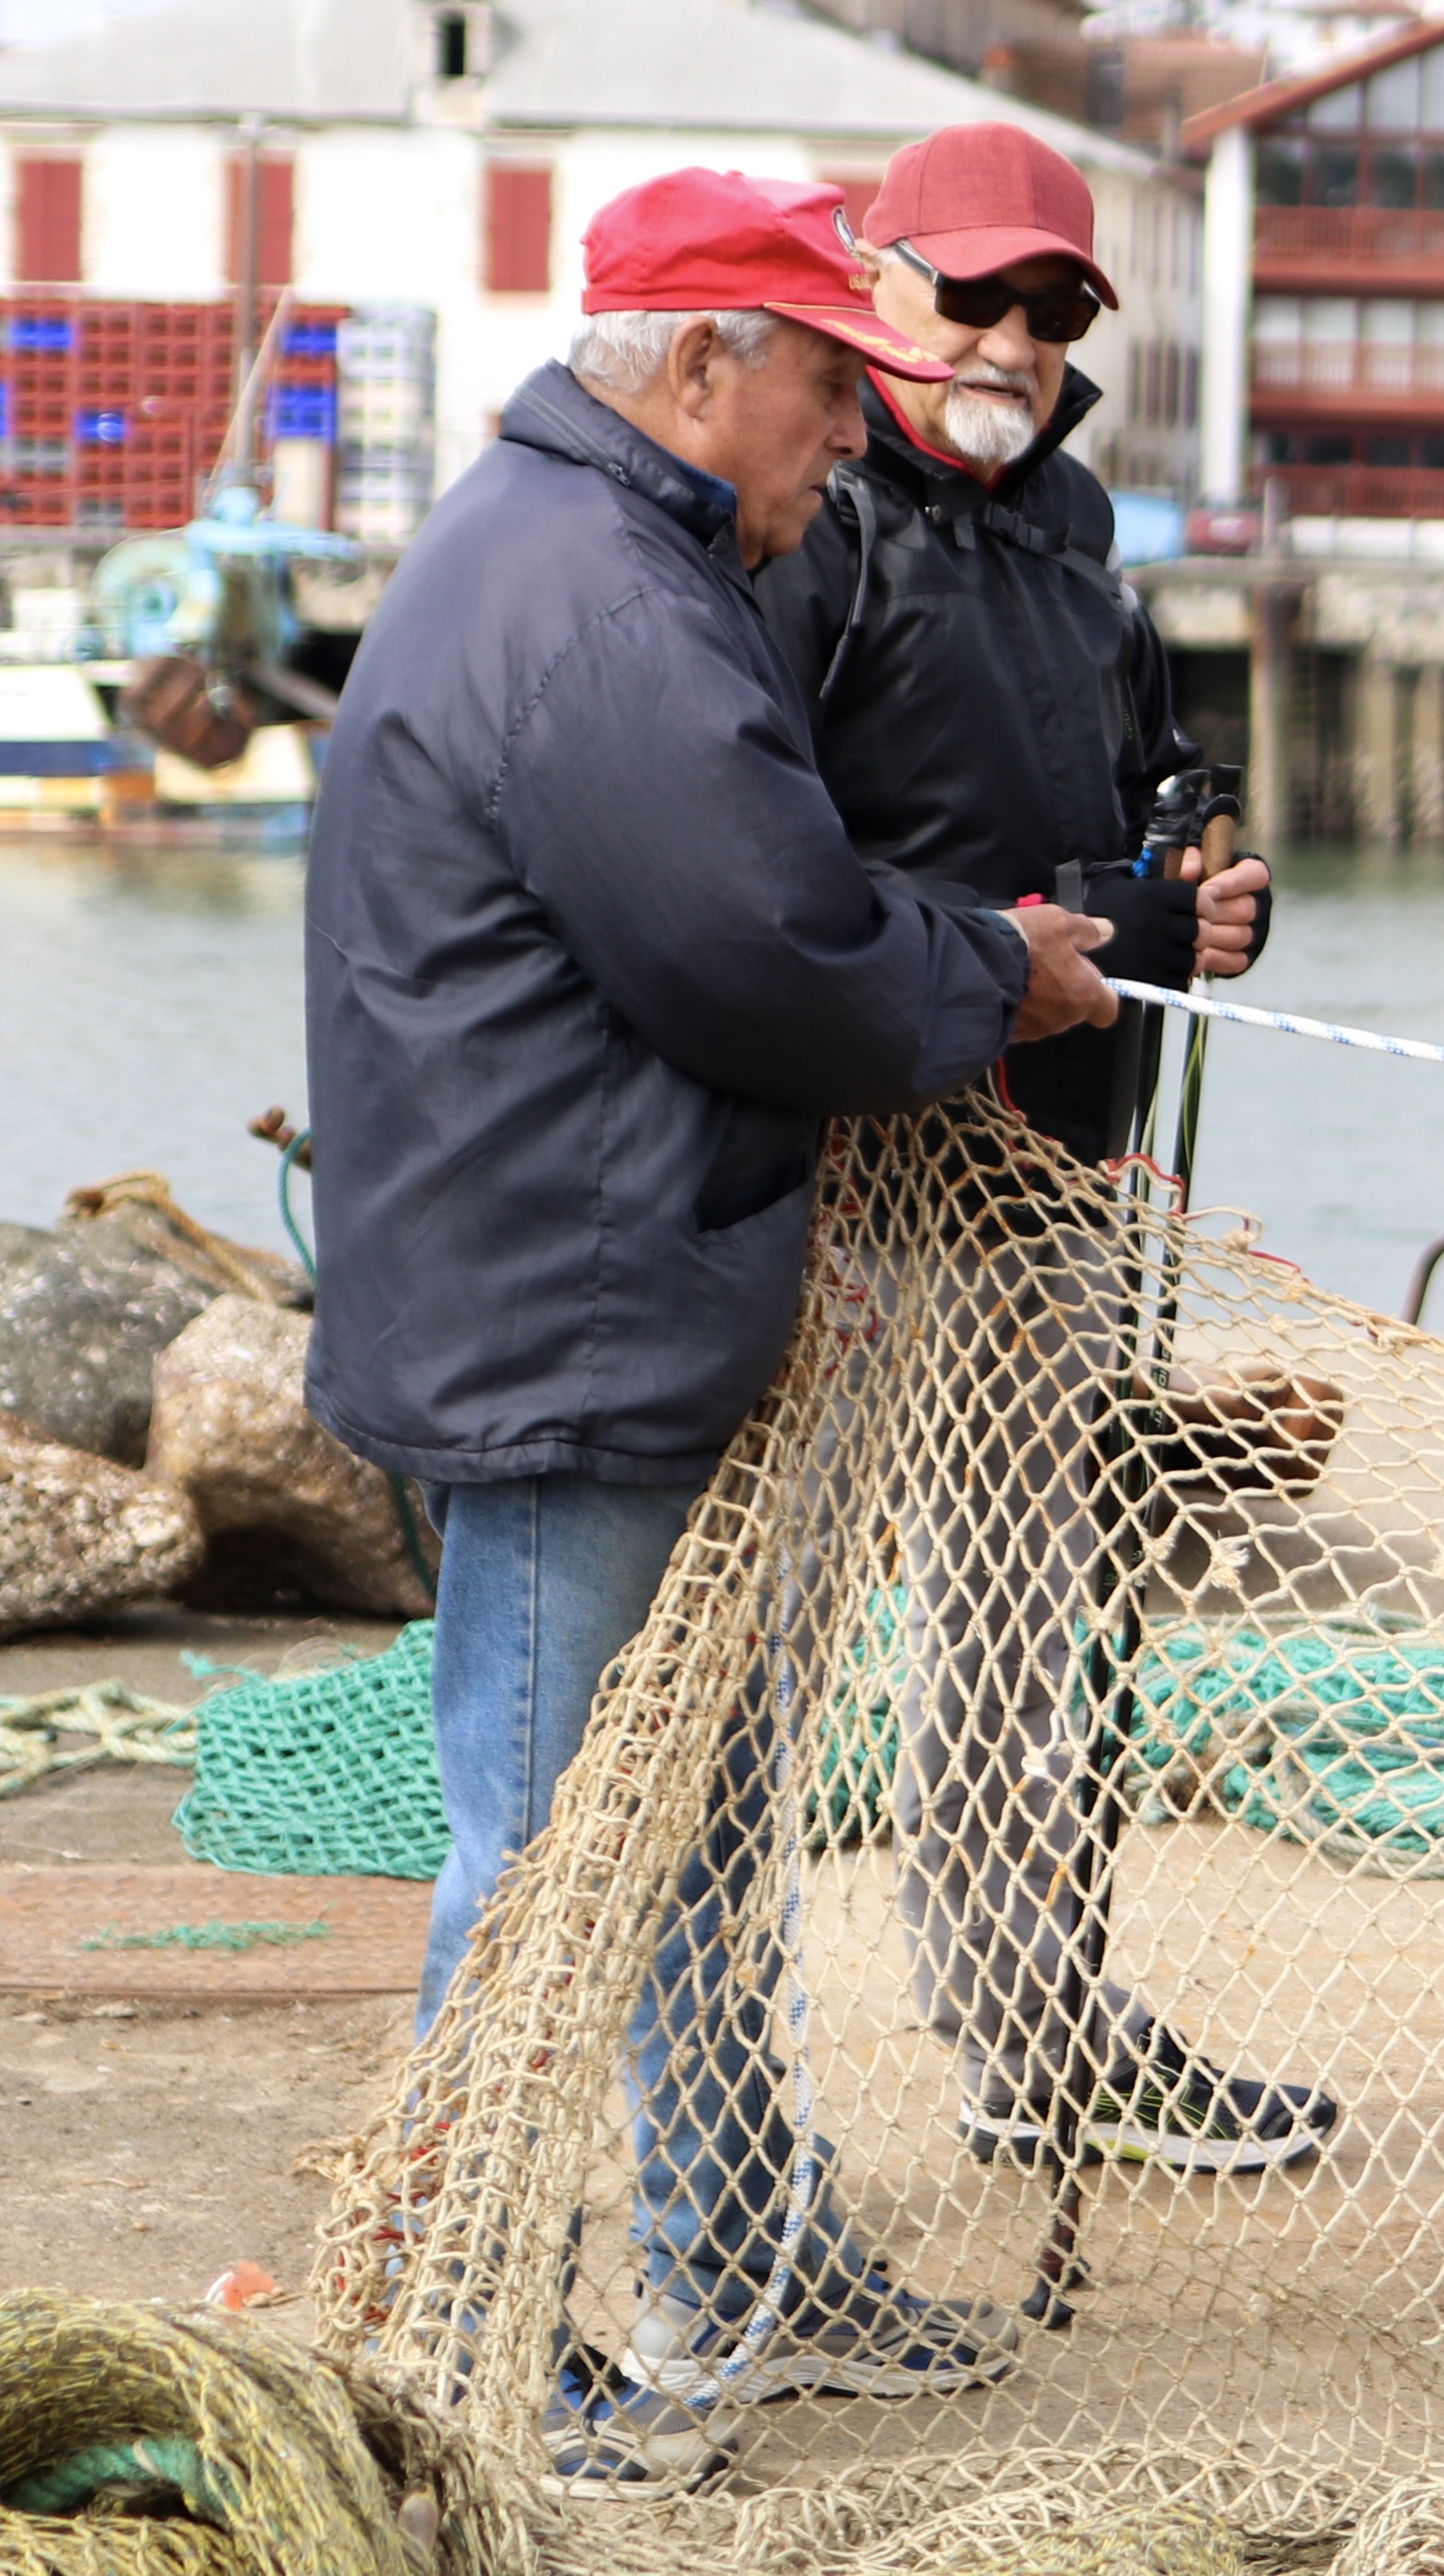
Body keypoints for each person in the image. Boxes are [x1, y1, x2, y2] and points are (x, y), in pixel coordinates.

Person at [307, 167, 1117, 2494]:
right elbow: (763, 950)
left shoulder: (593, 556)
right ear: (696, 365)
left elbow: (764, 907)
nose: (849, 445)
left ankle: (741, 2251)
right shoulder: (605, 608)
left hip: (585, 1268)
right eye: (821, 396)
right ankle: (458, 2349)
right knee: (552, 1852)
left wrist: (943, 947)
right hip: (564, 1309)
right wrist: (1001, 977)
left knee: (679, 1819)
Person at [745, 117, 1338, 2179]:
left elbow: (1145, 790)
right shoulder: (804, 518)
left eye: (1053, 304)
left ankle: (1038, 2028)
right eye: (973, 290)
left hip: (1045, 1190)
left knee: (1019, 1626)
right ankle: (722, 2120)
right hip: (833, 1184)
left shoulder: (1076, 517)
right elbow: (760, 870)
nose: (1009, 333)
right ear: (881, 281)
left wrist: (1203, 896)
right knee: (766, 1649)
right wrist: (1023, 949)